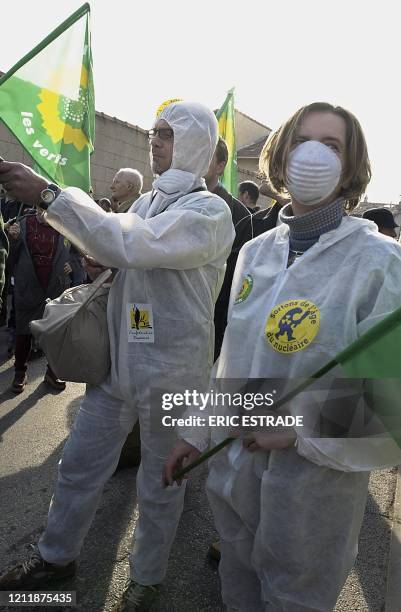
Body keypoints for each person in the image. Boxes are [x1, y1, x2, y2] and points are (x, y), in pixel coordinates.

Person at [165, 102, 401, 611]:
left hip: (312, 494)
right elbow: (231, 361)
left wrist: (302, 429)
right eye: (301, 142)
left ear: (350, 165)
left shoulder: (379, 262)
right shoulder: (257, 252)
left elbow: (392, 393)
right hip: (234, 473)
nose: (313, 155)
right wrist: (195, 432)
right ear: (281, 156)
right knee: (239, 590)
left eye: (332, 146)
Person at [0, 101, 234, 612]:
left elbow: (134, 246)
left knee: (160, 484)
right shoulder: (148, 203)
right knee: (79, 466)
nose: (155, 140)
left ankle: (146, 580)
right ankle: (56, 558)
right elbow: (120, 245)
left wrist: (47, 194)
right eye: (154, 131)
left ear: (195, 145)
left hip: (174, 373)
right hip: (121, 364)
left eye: (168, 134)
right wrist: (98, 255)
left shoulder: (208, 212)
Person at [7, 209, 75, 393]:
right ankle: (20, 372)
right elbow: (9, 257)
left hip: (56, 286)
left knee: (55, 333)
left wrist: (73, 264)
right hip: (28, 285)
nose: (45, 211)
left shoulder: (67, 224)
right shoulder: (22, 223)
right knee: (24, 331)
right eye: (42, 206)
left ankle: (52, 373)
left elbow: (80, 250)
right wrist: (12, 239)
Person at [204, 137, 252, 360]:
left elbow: (236, 282)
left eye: (205, 154)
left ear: (220, 166)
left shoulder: (240, 216)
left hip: (212, 323)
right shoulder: (165, 204)